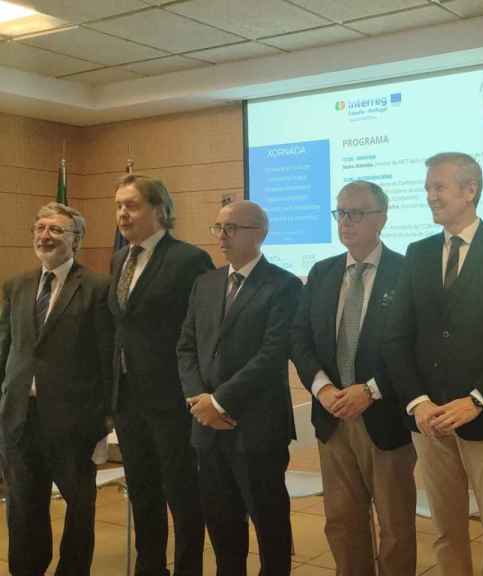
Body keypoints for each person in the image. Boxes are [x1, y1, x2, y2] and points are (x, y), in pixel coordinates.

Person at [384, 152, 483, 575]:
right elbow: (397, 337)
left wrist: (477, 399)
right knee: (446, 532)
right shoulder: (417, 253)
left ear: (470, 190)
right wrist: (417, 402)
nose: (430, 195)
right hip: (431, 422)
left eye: (439, 186)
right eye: (428, 187)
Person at [291, 181, 418, 575]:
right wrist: (323, 388)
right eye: (341, 212)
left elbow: (415, 345)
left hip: (386, 417)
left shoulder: (408, 271)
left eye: (357, 213)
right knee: (342, 523)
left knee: (395, 527)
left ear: (382, 217)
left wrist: (371, 390)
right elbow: (300, 339)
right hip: (333, 419)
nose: (346, 222)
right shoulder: (323, 271)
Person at [177, 200, 299, 575]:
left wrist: (221, 401)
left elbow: (272, 354)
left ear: (260, 233)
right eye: (218, 228)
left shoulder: (284, 285)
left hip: (257, 428)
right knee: (222, 524)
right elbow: (186, 347)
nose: (222, 237)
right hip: (207, 429)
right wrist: (201, 402)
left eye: (232, 228)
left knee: (270, 525)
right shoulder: (206, 283)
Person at [0, 202, 113, 575]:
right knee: (23, 508)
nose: (45, 236)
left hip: (74, 422)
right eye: (41, 228)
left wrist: (106, 417)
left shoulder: (97, 287)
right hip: (19, 419)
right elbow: (5, 348)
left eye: (56, 230)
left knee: (79, 509)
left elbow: (107, 357)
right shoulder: (17, 286)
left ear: (76, 239)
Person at [110, 174, 212, 576]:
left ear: (160, 210)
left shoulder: (188, 259)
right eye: (118, 205)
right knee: (143, 494)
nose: (122, 213)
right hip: (128, 401)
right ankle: (149, 567)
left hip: (173, 401)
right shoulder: (120, 258)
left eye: (131, 205)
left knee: (183, 498)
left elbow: (202, 333)